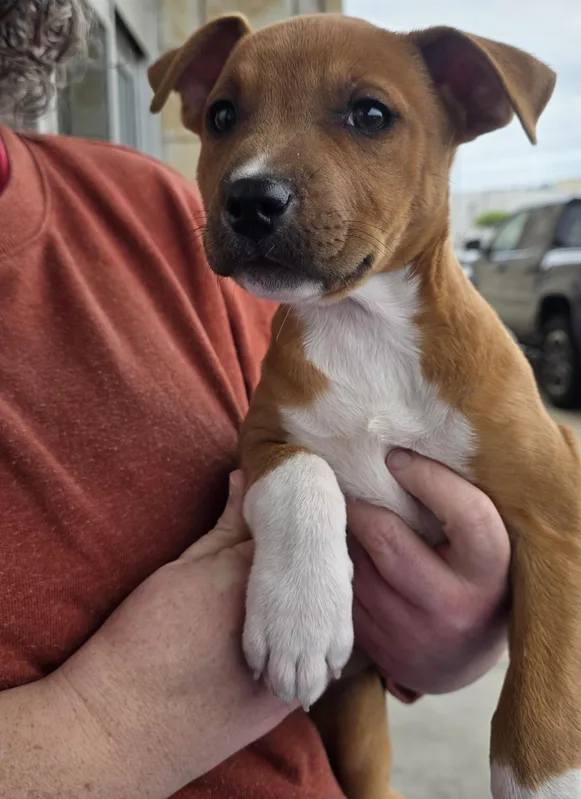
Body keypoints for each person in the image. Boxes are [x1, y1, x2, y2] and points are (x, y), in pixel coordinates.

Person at [0, 3, 511, 797]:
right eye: (228, 117)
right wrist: (106, 723)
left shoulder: (154, 213)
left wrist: (444, 634)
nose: (252, 172)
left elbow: (294, 457)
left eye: (366, 116)